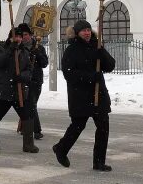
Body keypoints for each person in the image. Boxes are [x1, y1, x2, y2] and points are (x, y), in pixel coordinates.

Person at [53, 20, 116, 172]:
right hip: (80, 95)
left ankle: (99, 162)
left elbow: (110, 66)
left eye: (88, 30)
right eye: (83, 30)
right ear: (77, 33)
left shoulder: (97, 45)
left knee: (103, 127)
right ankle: (61, 148)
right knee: (78, 125)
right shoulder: (71, 50)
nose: (87, 33)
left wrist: (103, 54)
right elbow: (69, 74)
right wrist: (89, 77)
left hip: (98, 93)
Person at [0, 29, 38, 153]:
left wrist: (22, 77)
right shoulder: (1, 49)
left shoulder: (25, 52)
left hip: (19, 90)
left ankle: (28, 144)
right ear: (10, 38)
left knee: (27, 116)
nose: (18, 39)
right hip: (4, 90)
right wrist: (10, 51)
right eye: (16, 37)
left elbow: (29, 70)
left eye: (20, 37)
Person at [17, 23, 48, 140]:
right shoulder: (18, 48)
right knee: (28, 105)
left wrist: (38, 54)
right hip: (23, 80)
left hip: (35, 80)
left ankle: (32, 128)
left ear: (30, 35)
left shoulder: (38, 47)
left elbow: (44, 63)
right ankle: (33, 129)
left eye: (26, 34)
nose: (24, 37)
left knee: (31, 104)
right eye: (22, 35)